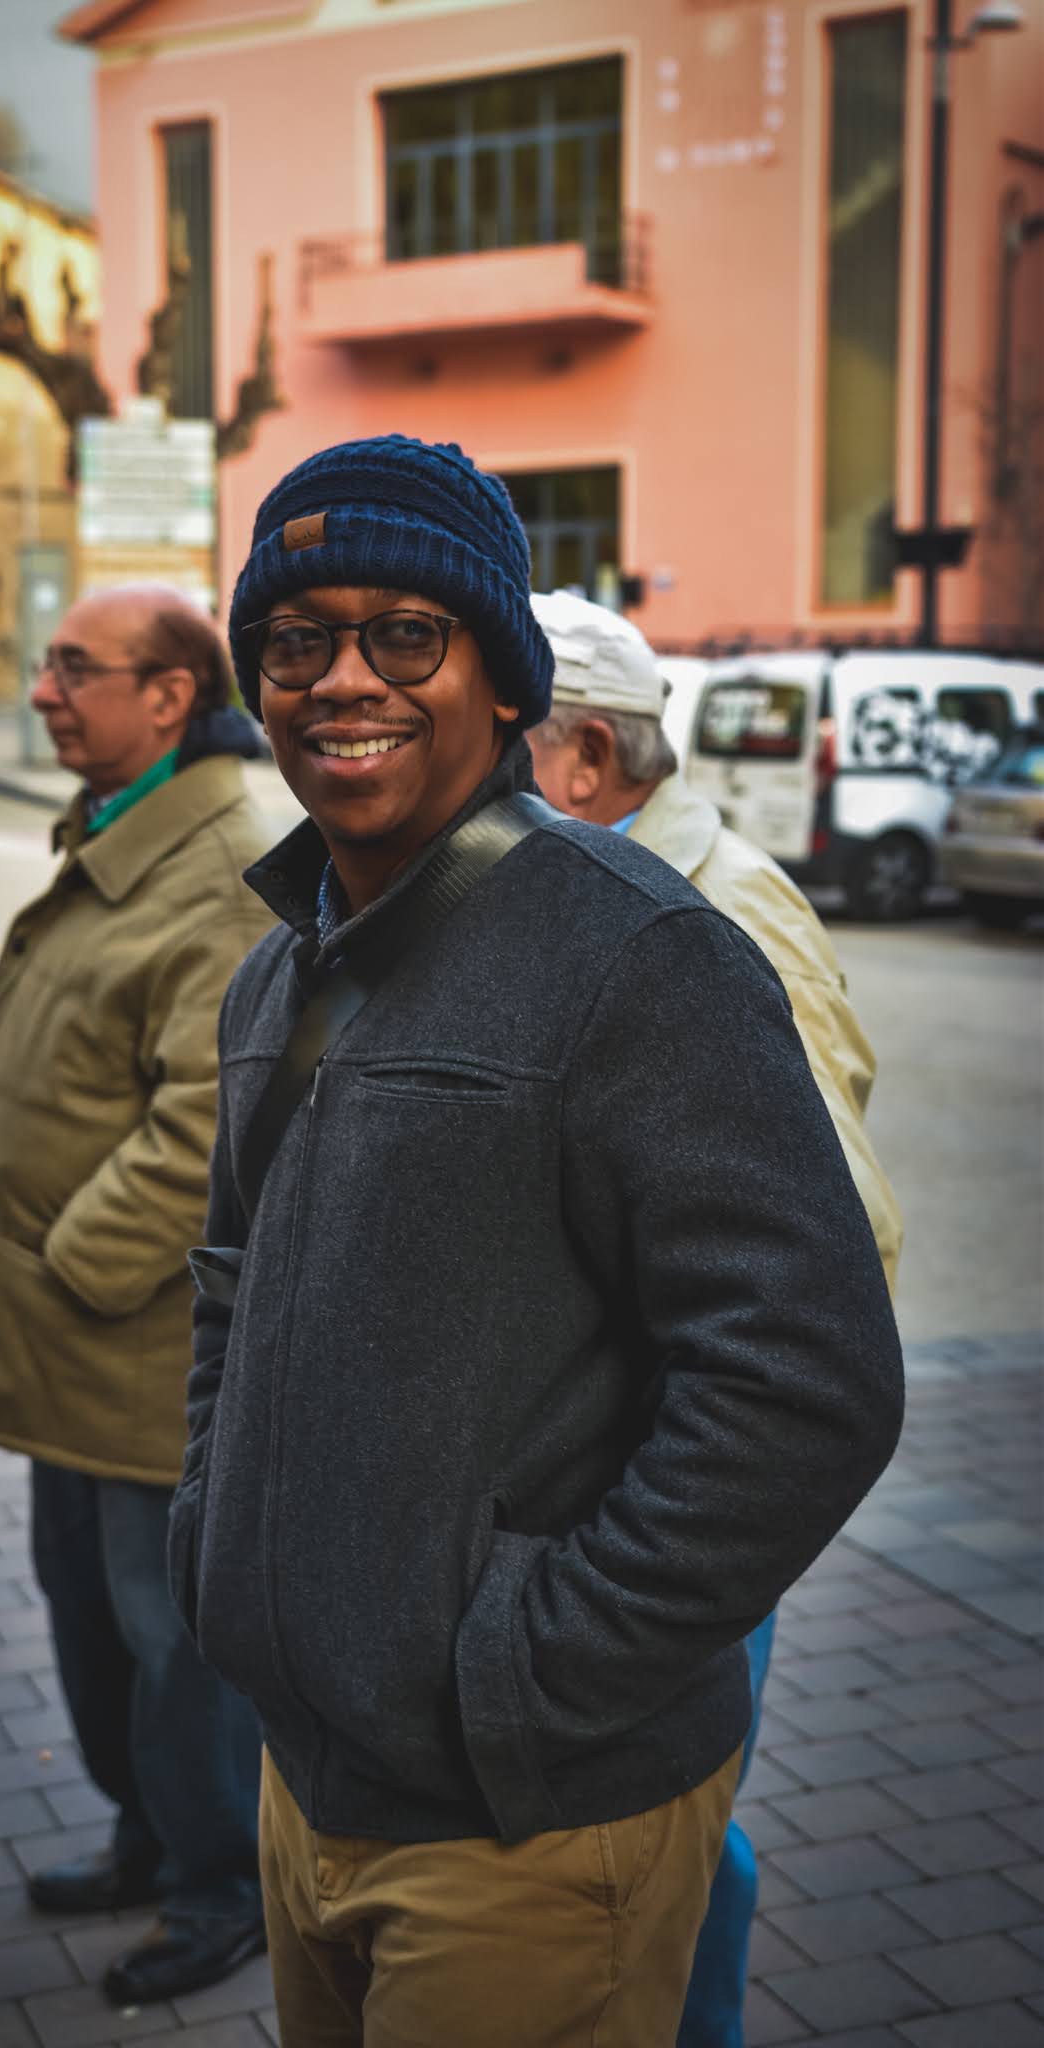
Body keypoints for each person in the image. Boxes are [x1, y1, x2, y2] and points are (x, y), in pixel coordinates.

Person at [167, 435, 904, 2047]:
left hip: (528, 1821)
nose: (341, 679)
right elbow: (228, 1288)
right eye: (295, 641)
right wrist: (218, 1547)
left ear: (502, 682)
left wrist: (523, 1672)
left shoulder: (640, 954)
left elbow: (806, 1381)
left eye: (403, 635)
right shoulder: (280, 971)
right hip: (312, 1776)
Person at [526, 587, 903, 2048]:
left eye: (498, 741)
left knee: (679, 1824)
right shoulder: (576, 884)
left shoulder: (718, 909)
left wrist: (667, 1510)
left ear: (581, 759)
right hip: (598, 1475)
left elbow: (833, 1246)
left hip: (649, 1489)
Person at [0, 583, 274, 2007]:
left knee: (173, 1641)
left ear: (171, 696)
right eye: (47, 665)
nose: (43, 691)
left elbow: (208, 1124)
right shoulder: (124, 824)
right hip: (73, 1353)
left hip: (138, 1354)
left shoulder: (224, 862)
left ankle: (221, 1884)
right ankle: (146, 1835)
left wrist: (67, 1265)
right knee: (89, 1617)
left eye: (74, 667)